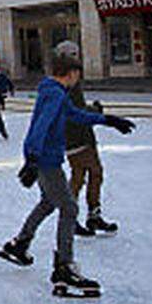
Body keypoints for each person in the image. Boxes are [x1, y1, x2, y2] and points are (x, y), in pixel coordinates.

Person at [0, 52, 136, 298]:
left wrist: (107, 120)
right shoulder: (55, 94)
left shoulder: (55, 93)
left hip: (44, 157)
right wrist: (33, 160)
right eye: (77, 75)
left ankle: (19, 244)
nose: (77, 79)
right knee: (69, 208)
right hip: (46, 160)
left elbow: (77, 115)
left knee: (49, 202)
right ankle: (64, 267)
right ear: (71, 73)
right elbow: (40, 127)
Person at [53, 41, 118, 237]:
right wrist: (95, 111)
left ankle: (76, 216)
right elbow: (73, 111)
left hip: (77, 136)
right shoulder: (66, 81)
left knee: (80, 176)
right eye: (72, 54)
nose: (76, 57)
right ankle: (89, 215)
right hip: (77, 137)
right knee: (94, 172)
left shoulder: (68, 79)